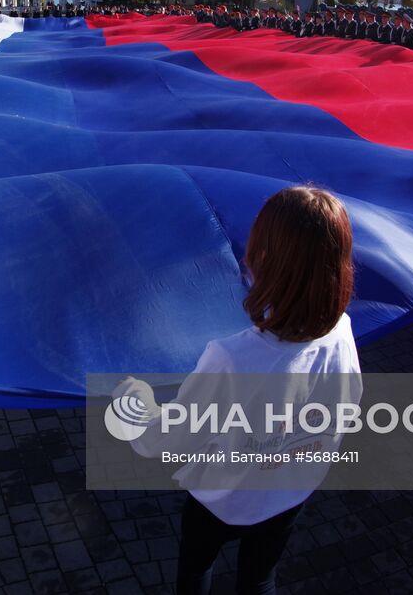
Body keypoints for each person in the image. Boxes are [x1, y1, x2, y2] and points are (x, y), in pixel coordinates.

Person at [117, 187, 362, 595]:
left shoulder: (232, 358)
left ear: (264, 260)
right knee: (261, 576)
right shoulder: (343, 332)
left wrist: (135, 401)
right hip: (290, 493)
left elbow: (168, 440)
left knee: (196, 568)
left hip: (222, 499)